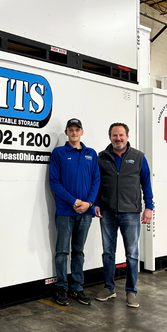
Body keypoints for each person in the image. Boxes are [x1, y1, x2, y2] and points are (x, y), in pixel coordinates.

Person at [94, 123, 153, 309]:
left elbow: (146, 184)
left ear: (127, 136)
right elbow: (95, 183)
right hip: (107, 212)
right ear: (109, 136)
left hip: (131, 213)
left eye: (121, 135)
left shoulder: (139, 157)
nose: (117, 138)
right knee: (108, 253)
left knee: (132, 255)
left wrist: (149, 207)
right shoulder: (101, 158)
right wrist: (96, 203)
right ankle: (109, 288)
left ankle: (131, 291)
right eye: (114, 135)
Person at [49, 118, 100, 306]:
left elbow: (96, 180)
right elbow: (54, 182)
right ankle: (61, 286)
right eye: (71, 130)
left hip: (85, 213)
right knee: (62, 251)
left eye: (77, 129)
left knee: (78, 250)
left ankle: (77, 287)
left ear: (82, 132)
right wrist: (74, 201)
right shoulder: (59, 153)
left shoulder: (91, 154)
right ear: (67, 132)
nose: (74, 132)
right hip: (65, 211)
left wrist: (88, 203)